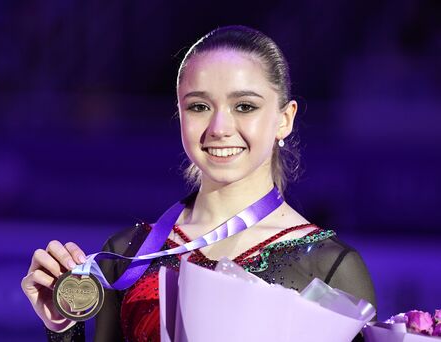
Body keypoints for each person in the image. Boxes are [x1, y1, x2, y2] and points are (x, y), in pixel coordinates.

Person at [21, 25, 376, 342]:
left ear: (284, 119)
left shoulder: (330, 267)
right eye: (199, 107)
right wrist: (62, 329)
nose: (219, 127)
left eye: (245, 106)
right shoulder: (130, 253)